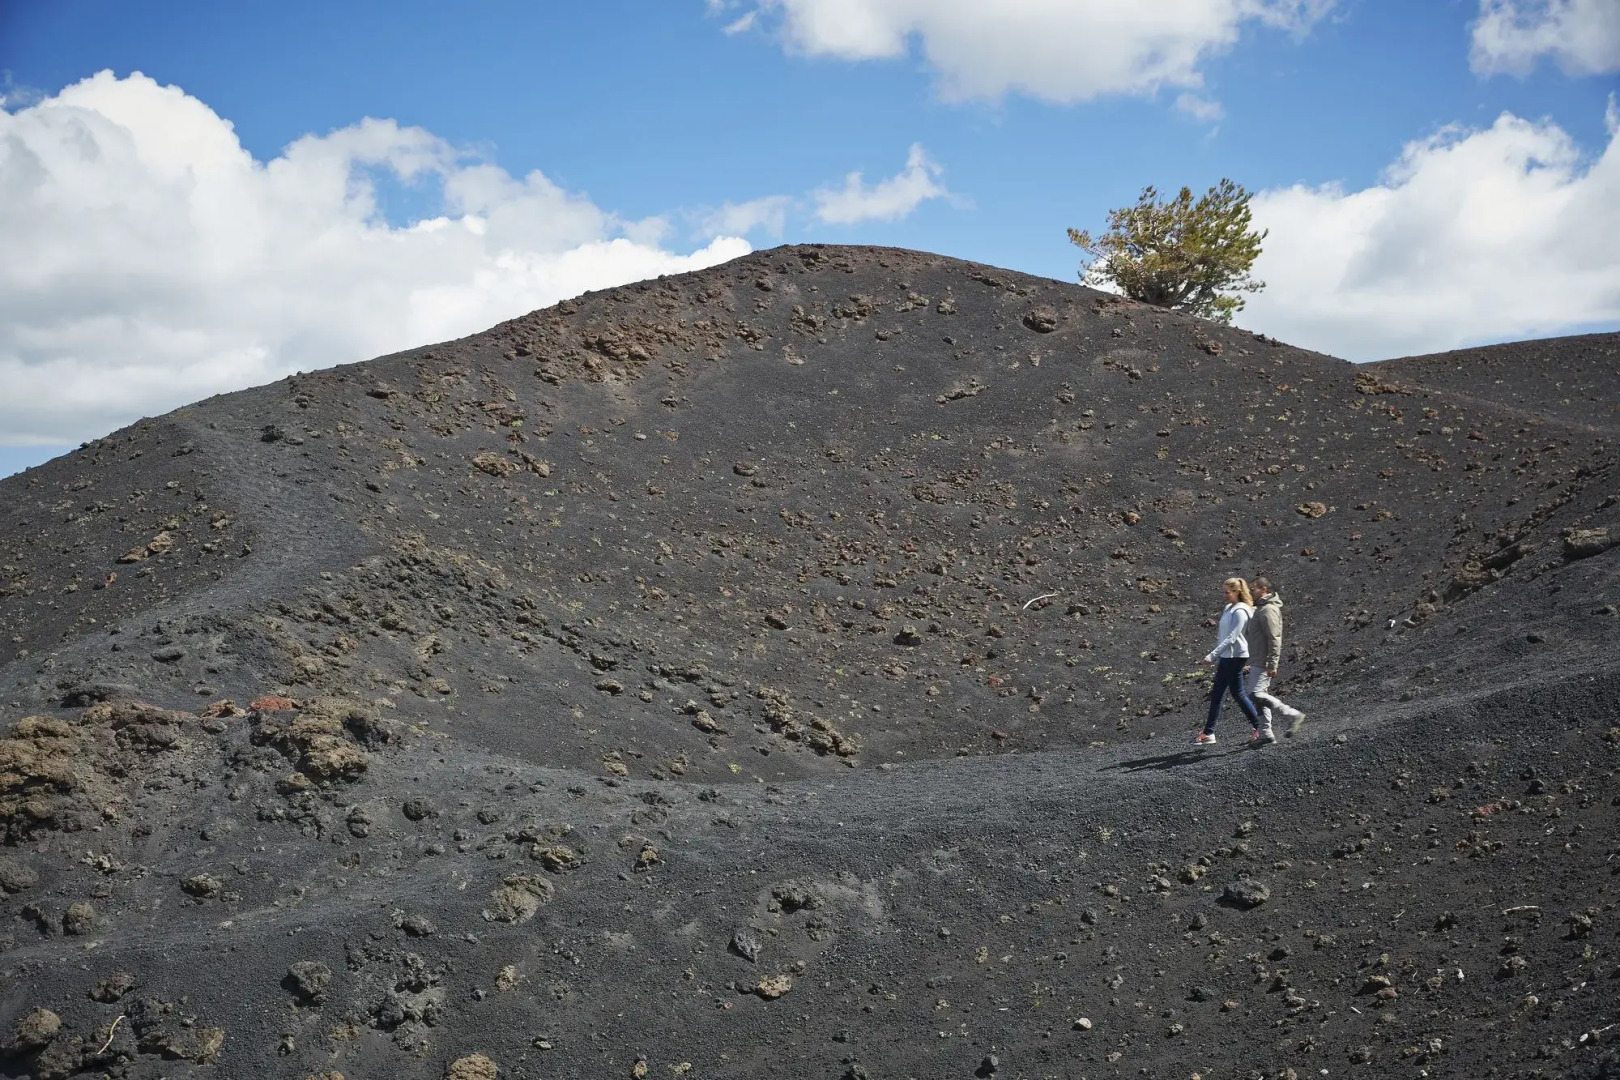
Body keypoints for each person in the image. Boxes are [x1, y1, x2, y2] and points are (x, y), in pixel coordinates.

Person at [1193, 577, 1263, 745]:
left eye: (1227, 592)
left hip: (1236, 657)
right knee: (1217, 693)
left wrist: (1212, 655)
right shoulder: (1228, 608)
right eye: (1223, 591)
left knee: (1237, 694)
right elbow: (1223, 636)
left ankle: (1260, 727)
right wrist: (1219, 654)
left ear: (1237, 592)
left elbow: (1233, 637)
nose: (1224, 595)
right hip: (1226, 657)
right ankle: (1209, 733)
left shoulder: (1240, 611)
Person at [1244, 576, 1306, 742]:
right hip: (1258, 660)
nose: (1251, 591)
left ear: (1264, 589)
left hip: (1263, 661)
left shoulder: (1268, 610)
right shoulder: (1260, 609)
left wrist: (1272, 663)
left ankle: (1291, 714)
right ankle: (1266, 734)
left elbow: (1274, 638)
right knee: (1257, 696)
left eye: (1254, 588)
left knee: (1256, 694)